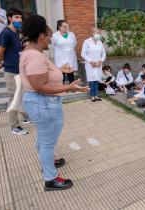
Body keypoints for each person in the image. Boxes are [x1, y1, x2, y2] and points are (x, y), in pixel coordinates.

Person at [20, 15, 89, 191]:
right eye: (49, 36)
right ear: (41, 36)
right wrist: (69, 87)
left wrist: (58, 71)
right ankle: (50, 178)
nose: (50, 40)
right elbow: (40, 86)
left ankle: (48, 160)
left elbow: (41, 78)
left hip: (40, 103)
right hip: (43, 104)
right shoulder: (35, 56)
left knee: (44, 137)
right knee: (47, 141)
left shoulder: (30, 53)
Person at [0, 8, 30, 135]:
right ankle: (14, 126)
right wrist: (6, 62)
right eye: (16, 17)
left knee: (21, 94)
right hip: (11, 71)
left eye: (20, 18)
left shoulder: (16, 32)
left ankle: (25, 117)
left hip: (19, 70)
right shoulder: (6, 33)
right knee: (14, 98)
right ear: (10, 18)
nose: (19, 20)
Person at [81, 28, 106, 102]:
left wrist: (101, 60)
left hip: (98, 64)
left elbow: (104, 53)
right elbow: (83, 53)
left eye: (100, 33)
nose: (99, 35)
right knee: (91, 81)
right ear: (93, 33)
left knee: (97, 79)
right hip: (90, 65)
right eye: (98, 33)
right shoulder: (87, 42)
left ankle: (96, 95)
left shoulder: (100, 42)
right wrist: (90, 61)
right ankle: (92, 95)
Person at [52, 20, 78, 85]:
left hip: (70, 55)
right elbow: (53, 45)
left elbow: (74, 44)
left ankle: (72, 86)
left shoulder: (71, 34)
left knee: (70, 72)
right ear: (59, 27)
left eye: (67, 26)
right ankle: (62, 87)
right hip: (60, 56)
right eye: (64, 26)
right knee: (61, 73)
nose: (66, 27)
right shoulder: (55, 35)